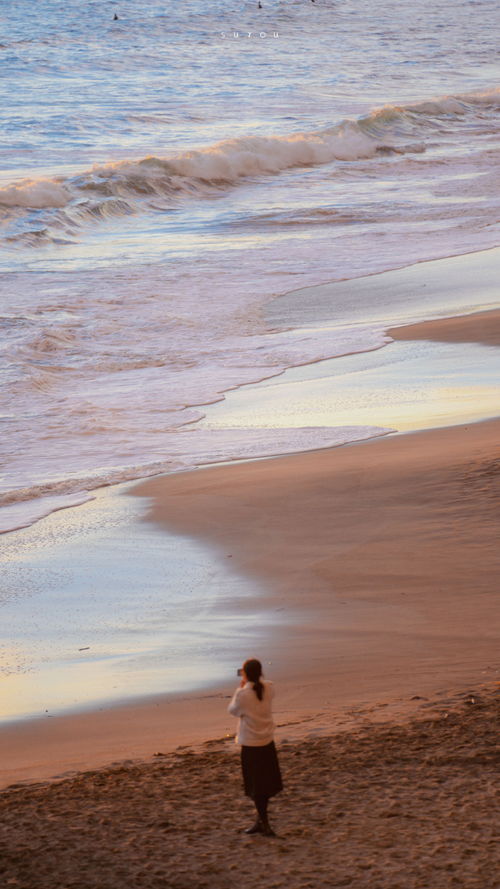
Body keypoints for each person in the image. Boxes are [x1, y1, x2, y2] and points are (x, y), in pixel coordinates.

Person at [228, 658, 283, 837]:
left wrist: (241, 687)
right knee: (264, 783)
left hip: (251, 743)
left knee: (255, 785)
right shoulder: (268, 687)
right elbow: (266, 685)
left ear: (245, 674)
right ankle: (261, 820)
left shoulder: (243, 694)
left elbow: (233, 711)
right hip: (267, 740)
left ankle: (263, 823)